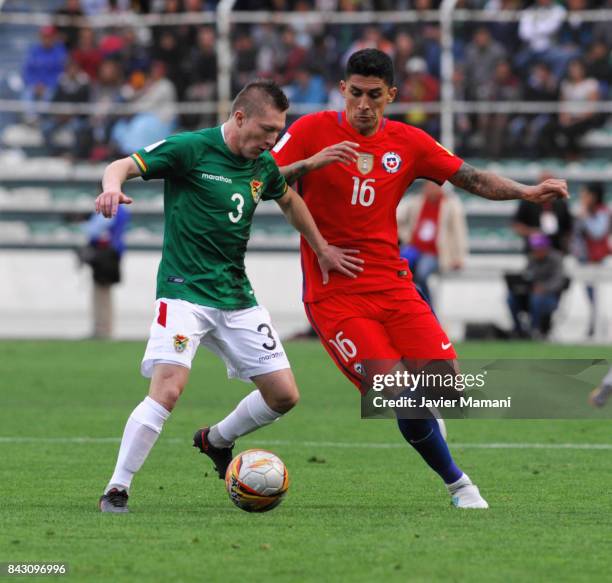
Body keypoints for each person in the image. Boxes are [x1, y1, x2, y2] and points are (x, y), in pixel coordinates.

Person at [272, 49, 569, 509]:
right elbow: (262, 177)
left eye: (374, 95)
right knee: (401, 397)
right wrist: (312, 167)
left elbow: (470, 177)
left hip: (393, 286)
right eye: (355, 93)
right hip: (336, 297)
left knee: (445, 387)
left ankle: (424, 416)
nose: (364, 104)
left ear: (391, 95)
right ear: (342, 90)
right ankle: (460, 487)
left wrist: (526, 191)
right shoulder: (309, 132)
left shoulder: (409, 142)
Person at [95, 80, 362, 513]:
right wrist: (110, 186)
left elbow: (289, 198)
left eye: (278, 131)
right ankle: (116, 489)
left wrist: (321, 247)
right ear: (239, 118)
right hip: (183, 293)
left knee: (284, 396)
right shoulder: (190, 149)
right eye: (266, 130)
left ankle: (216, 440)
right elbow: (122, 165)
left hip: (236, 296)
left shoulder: (262, 164)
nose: (272, 140)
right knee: (167, 390)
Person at [397, 181, 468, 306]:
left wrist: (459, 257)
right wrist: (404, 234)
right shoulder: (416, 201)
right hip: (414, 246)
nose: (429, 189)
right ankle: (404, 300)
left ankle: (426, 304)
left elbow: (459, 232)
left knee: (422, 273)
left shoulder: (451, 205)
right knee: (398, 266)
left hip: (434, 251)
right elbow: (397, 216)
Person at [79, 204, 130, 339]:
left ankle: (102, 328)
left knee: (101, 291)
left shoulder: (109, 208)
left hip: (105, 254)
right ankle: (104, 327)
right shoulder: (123, 210)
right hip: (113, 253)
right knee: (104, 291)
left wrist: (84, 224)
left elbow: (94, 230)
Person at [506, 233, 567, 338]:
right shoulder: (532, 259)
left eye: (538, 248)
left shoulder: (556, 258)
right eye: (534, 248)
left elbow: (558, 281)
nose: (536, 250)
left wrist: (543, 288)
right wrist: (521, 285)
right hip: (530, 294)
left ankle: (534, 329)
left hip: (550, 297)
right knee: (511, 298)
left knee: (536, 298)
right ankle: (518, 329)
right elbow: (526, 275)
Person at [571, 182, 610, 337]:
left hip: (597, 260)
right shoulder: (584, 211)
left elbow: (597, 232)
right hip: (584, 258)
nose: (582, 198)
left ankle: (599, 325)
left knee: (599, 296)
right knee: (590, 296)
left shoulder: (603, 212)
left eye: (585, 194)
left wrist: (585, 216)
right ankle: (594, 324)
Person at [512, 172, 573, 254]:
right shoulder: (528, 201)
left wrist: (566, 244)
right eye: (545, 183)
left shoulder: (561, 203)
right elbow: (517, 225)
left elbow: (568, 228)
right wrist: (533, 232)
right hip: (534, 251)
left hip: (557, 250)